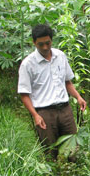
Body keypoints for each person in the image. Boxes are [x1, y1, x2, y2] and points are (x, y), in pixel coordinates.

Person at [18, 24, 86, 159]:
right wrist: (35, 116)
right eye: (40, 44)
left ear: (51, 40)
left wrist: (78, 97)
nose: (45, 47)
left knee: (72, 148)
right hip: (44, 113)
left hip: (65, 110)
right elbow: (24, 95)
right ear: (34, 43)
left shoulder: (60, 56)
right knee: (50, 150)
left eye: (47, 43)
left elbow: (67, 82)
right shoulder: (28, 64)